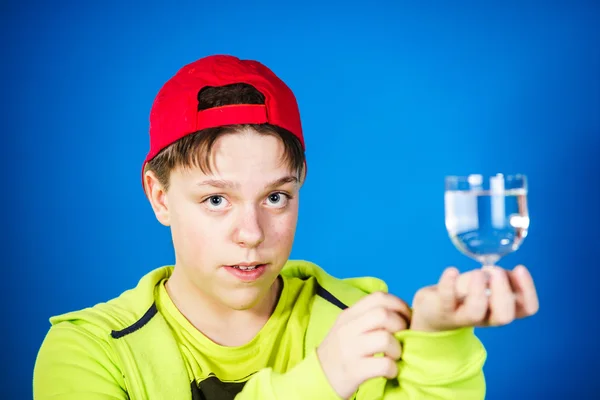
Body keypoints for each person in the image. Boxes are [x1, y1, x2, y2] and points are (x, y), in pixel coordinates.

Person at [33, 54, 539, 400]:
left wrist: (436, 338)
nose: (251, 233)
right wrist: (323, 378)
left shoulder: (357, 319)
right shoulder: (91, 349)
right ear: (159, 196)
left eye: (276, 197)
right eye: (216, 200)